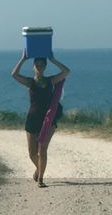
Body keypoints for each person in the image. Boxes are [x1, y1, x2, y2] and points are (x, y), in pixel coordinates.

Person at [11, 52, 71, 187]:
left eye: (42, 65)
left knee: (42, 149)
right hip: (32, 119)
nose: (39, 67)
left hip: (48, 120)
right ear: (33, 67)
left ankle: (41, 180)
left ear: (45, 67)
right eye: (37, 65)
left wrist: (53, 59)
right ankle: (39, 169)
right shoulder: (30, 82)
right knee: (32, 152)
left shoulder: (50, 81)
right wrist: (22, 59)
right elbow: (14, 74)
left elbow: (66, 71)